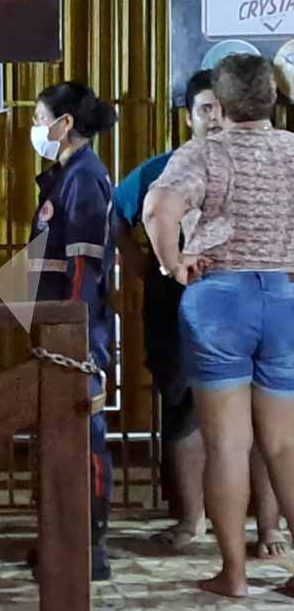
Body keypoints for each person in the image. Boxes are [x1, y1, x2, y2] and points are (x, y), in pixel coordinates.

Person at [113, 70, 287, 557]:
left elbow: (155, 212)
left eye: (218, 106)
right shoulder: (176, 162)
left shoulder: (205, 159)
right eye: (203, 109)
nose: (213, 117)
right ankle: (196, 522)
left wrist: (173, 264)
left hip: (216, 300)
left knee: (237, 438)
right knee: (249, 429)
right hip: (265, 298)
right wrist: (153, 269)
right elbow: (121, 216)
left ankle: (252, 549)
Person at [27, 82, 118, 581]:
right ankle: (62, 535)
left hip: (75, 330)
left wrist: (73, 325)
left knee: (84, 432)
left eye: (39, 118)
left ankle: (90, 543)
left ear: (64, 124)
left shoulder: (85, 176)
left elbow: (83, 262)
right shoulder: (64, 175)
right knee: (59, 432)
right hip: (53, 324)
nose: (34, 128)